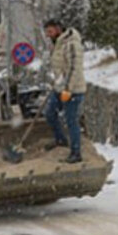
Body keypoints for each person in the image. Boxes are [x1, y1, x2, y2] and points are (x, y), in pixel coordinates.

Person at [42, 19, 86, 163]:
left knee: (71, 120)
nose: (48, 35)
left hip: (73, 90)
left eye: (50, 31)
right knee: (50, 113)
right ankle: (60, 139)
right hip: (59, 88)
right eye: (46, 32)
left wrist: (68, 89)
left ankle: (76, 153)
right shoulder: (58, 44)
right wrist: (57, 82)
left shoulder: (71, 44)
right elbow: (59, 67)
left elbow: (74, 68)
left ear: (58, 29)